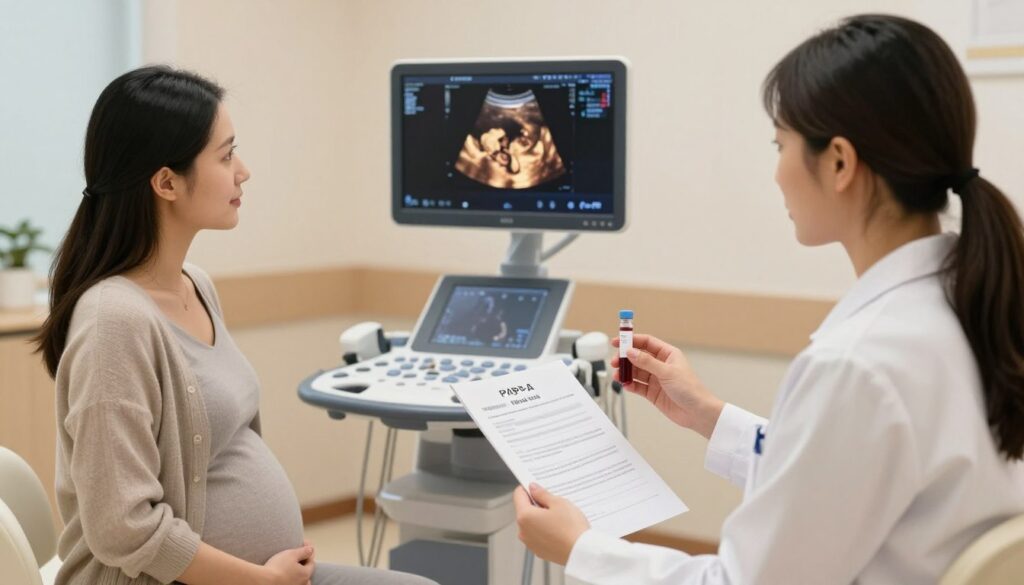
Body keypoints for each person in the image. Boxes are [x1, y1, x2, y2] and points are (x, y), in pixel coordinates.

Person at [511, 14, 1024, 584]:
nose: (777, 173)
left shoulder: (859, 364)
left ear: (839, 162)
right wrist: (708, 415)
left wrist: (581, 549)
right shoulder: (964, 305)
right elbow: (839, 480)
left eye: (781, 145)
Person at [34, 66, 437, 585]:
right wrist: (260, 580)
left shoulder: (196, 285)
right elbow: (123, 528)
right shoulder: (114, 321)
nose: (242, 171)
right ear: (166, 182)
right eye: (225, 157)